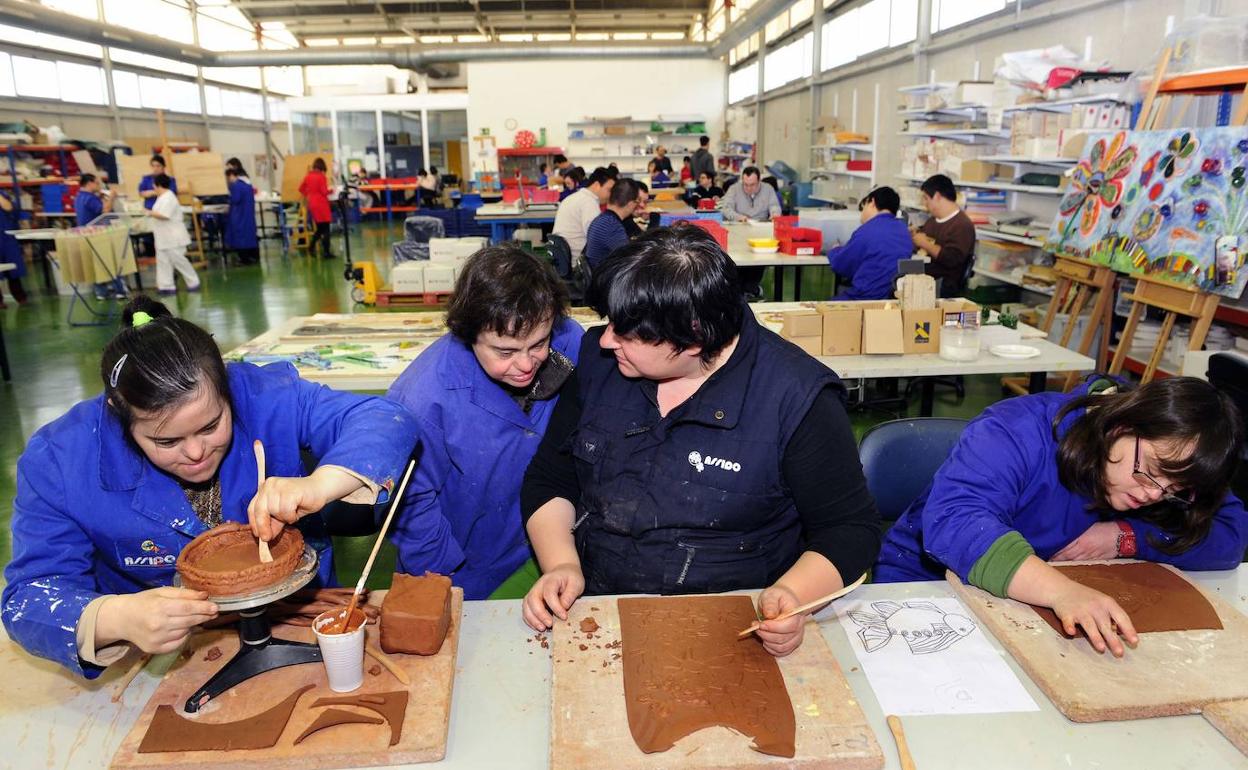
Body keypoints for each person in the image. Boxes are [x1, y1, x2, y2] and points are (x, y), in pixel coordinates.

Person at [1, 296, 418, 678]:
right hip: (163, 659)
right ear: (118, 412)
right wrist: (114, 618)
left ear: (227, 388)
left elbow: (385, 419)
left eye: (211, 425)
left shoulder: (267, 395)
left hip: (300, 623)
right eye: (166, 441)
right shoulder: (60, 459)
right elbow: (28, 597)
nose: (197, 453)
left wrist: (322, 482)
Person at [520, 225, 881, 657]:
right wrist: (562, 563)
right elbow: (551, 477)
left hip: (733, 625)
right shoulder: (601, 362)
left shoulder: (796, 398)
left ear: (692, 340)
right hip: (602, 611)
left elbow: (849, 529)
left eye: (628, 332)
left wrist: (793, 595)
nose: (607, 338)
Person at [874, 377, 1248, 657]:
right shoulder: (1018, 430)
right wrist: (1060, 590)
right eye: (1149, 471)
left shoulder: (1167, 460)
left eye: (1173, 491)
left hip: (1037, 608)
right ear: (1120, 426)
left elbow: (1230, 534)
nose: (1153, 493)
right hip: (924, 587)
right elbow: (955, 522)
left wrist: (1124, 536)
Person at [386, 246, 583, 600]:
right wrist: (445, 580)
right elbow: (409, 505)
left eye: (538, 343)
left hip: (547, 547)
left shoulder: (568, 341)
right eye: (505, 352)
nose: (526, 364)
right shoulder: (421, 399)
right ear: (468, 333)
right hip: (462, 568)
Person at [827, 187, 914, 301]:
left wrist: (835, 250)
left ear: (872, 202)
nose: (862, 214)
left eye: (863, 208)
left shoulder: (867, 230)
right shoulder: (904, 230)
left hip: (864, 298)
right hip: (893, 299)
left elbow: (841, 265)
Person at [912, 174, 976, 297]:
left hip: (943, 286)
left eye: (926, 198)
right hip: (925, 279)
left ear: (937, 196)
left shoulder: (962, 225)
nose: (924, 203)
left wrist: (925, 244)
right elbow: (921, 246)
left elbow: (951, 259)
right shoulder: (932, 221)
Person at [721, 166, 780, 298]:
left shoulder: (768, 189)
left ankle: (750, 287)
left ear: (759, 181)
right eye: (745, 184)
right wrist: (738, 217)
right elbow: (726, 208)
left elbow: (775, 206)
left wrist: (775, 214)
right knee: (738, 261)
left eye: (752, 185)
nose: (748, 188)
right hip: (739, 229)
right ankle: (743, 288)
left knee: (758, 260)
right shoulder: (734, 189)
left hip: (761, 232)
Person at [147, 174, 200, 295]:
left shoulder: (169, 197)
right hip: (163, 238)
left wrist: (148, 212)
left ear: (158, 185)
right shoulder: (161, 197)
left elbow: (165, 215)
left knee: (179, 261)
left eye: (154, 185)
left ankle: (193, 282)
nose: (153, 187)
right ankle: (166, 286)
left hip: (173, 237)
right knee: (163, 262)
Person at [75, 173, 124, 300]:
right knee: (110, 261)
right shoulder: (89, 198)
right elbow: (105, 211)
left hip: (87, 235)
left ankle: (101, 291)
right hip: (97, 235)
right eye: (97, 183)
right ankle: (119, 290)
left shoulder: (80, 197)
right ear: (89, 183)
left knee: (96, 264)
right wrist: (111, 198)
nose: (99, 186)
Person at [552, 167, 614, 259]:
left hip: (563, 259)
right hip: (577, 261)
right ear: (597, 185)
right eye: (609, 190)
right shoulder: (589, 202)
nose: (610, 195)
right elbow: (597, 238)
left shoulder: (574, 197)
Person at [584, 178, 642, 270]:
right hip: (604, 280)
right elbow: (631, 261)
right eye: (636, 202)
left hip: (597, 275)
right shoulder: (612, 226)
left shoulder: (601, 219)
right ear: (631, 204)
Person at [299, 157, 333, 259]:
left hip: (312, 204)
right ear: (322, 167)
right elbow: (324, 192)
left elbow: (300, 189)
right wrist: (332, 190)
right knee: (326, 228)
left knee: (320, 228)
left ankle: (311, 247)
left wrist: (309, 194)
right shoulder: (321, 177)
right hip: (321, 204)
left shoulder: (308, 176)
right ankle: (326, 252)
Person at [225, 168, 259, 266]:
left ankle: (244, 259)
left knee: (240, 237)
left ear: (231, 175)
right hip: (248, 214)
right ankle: (253, 257)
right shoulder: (247, 184)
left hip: (239, 215)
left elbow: (235, 199)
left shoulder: (236, 186)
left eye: (228, 177)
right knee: (249, 235)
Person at [0, 190, 28, 306]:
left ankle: (20, 297)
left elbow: (8, 208)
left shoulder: (3, 195)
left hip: (5, 237)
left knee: (13, 270)